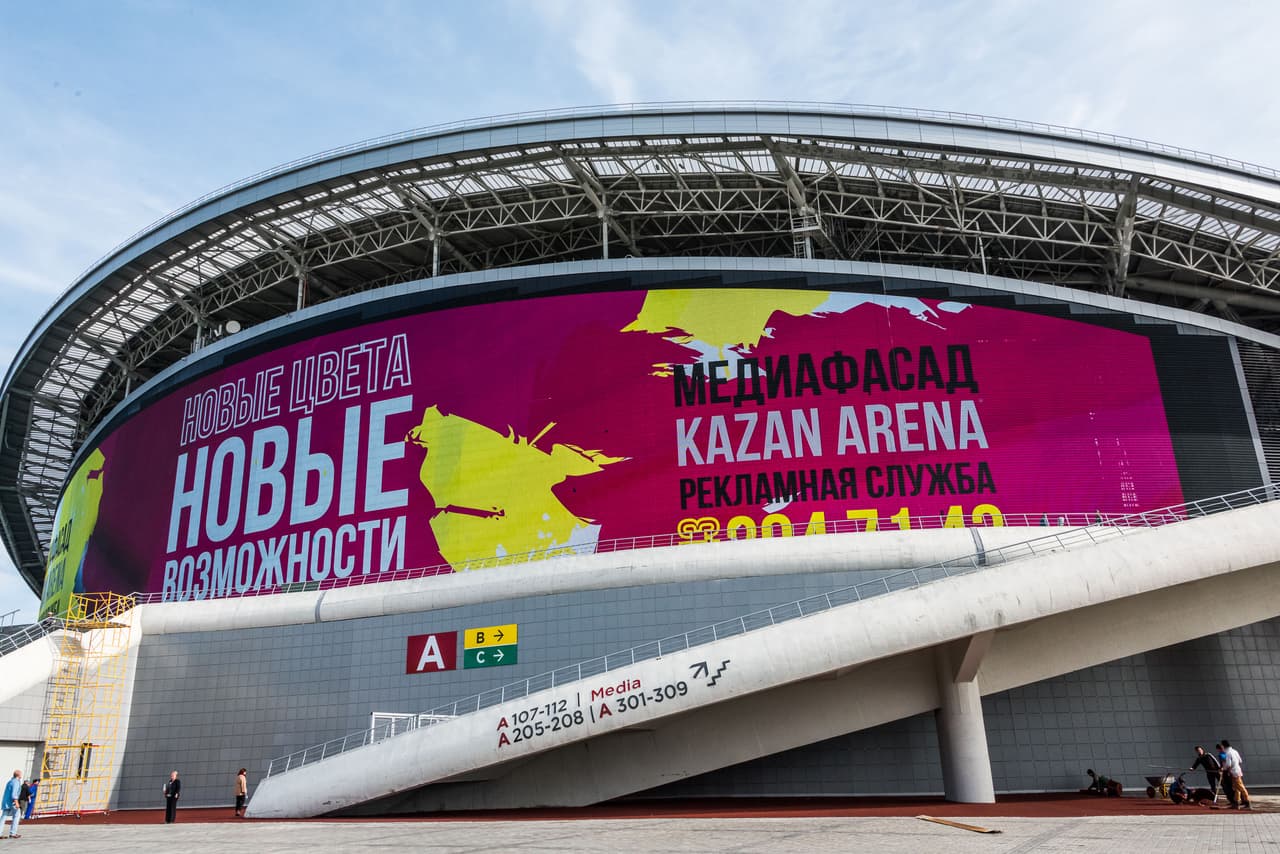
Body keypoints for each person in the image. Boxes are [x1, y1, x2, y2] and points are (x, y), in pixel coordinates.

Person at [1221, 739, 1251, 810]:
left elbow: (1228, 764)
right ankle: (1236, 803)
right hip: (1238, 770)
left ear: (1224, 745)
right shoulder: (1235, 751)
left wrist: (1224, 769)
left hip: (1233, 772)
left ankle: (1247, 803)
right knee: (1236, 788)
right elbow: (1240, 761)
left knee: (1240, 787)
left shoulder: (1228, 753)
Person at [1, 770, 22, 839]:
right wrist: (16, 802)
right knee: (16, 816)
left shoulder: (10, 781)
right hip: (12, 802)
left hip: (6, 802)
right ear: (19, 775)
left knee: (3, 817)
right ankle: (13, 833)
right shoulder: (16, 782)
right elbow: (14, 794)